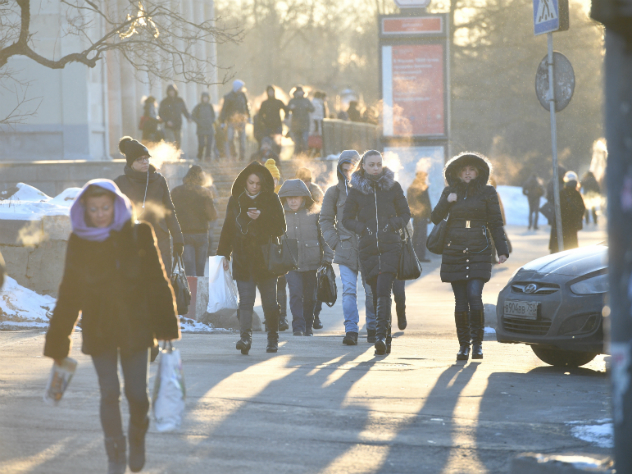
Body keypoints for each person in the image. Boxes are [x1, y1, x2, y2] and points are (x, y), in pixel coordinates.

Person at [44, 180, 180, 474]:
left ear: (117, 205)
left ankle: (137, 436)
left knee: (137, 395)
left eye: (105, 207)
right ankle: (115, 455)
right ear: (85, 209)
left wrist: (165, 327)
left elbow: (157, 282)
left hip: (137, 327)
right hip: (100, 327)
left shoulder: (139, 234)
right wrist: (58, 341)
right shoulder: (80, 242)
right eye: (93, 209)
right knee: (109, 392)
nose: (100, 213)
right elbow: (70, 293)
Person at [431, 152, 509, 361]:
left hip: (479, 250)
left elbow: (495, 222)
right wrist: (447, 202)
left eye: (471, 170)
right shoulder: (450, 191)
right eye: (463, 170)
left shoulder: (488, 192)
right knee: (460, 301)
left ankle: (478, 344)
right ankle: (463, 346)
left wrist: (502, 249)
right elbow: (435, 217)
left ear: (479, 172)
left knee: (475, 296)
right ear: (456, 173)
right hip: (454, 249)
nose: (467, 173)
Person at [342, 150, 411, 355]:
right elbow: (346, 219)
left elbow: (405, 213)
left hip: (391, 245)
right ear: (363, 166)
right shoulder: (356, 191)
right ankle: (386, 336)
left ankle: (380, 337)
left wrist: (392, 225)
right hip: (368, 248)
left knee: (383, 289)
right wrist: (362, 228)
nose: (375, 168)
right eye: (371, 164)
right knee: (374, 293)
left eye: (378, 164)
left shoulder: (393, 187)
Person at [216, 161, 286, 354]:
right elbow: (228, 228)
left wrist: (261, 217)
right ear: (244, 182)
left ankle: (273, 338)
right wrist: (224, 254)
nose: (254, 186)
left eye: (258, 183)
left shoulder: (271, 199)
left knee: (270, 302)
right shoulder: (235, 200)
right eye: (251, 182)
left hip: (266, 259)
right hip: (243, 258)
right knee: (245, 301)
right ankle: (244, 338)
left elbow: (281, 227)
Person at [320, 150, 376, 344]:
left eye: (351, 169)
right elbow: (325, 220)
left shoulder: (371, 189)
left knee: (371, 291)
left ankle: (373, 327)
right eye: (344, 170)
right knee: (349, 290)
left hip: (369, 248)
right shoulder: (333, 192)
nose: (348, 174)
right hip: (345, 249)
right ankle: (351, 330)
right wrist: (335, 242)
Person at [114, 137, 184, 276]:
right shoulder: (120, 183)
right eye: (139, 159)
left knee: (162, 280)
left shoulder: (159, 180)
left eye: (146, 158)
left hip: (160, 238)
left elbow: (169, 211)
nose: (145, 162)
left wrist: (178, 238)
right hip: (132, 240)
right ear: (131, 163)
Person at [278, 179, 333, 336]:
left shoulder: (314, 212)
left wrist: (328, 257)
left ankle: (308, 324)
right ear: (284, 198)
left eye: (297, 196)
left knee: (310, 296)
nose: (293, 200)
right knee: (295, 293)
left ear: (303, 197)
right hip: (291, 263)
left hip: (312, 261)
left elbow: (325, 236)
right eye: (289, 197)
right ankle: (298, 326)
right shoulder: (280, 214)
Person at [171, 166, 218, 276]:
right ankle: (199, 293)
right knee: (200, 269)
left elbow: (170, 213)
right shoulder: (205, 192)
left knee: (189, 269)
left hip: (184, 234)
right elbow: (212, 215)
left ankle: (190, 292)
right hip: (201, 234)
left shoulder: (176, 191)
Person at [549, 171, 586, 253]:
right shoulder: (577, 195)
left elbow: (556, 209)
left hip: (560, 226)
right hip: (571, 227)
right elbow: (582, 209)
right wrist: (576, 219)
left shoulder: (561, 193)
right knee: (570, 251)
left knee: (558, 250)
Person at [219, 79, 250, 161]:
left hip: (241, 121)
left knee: (242, 140)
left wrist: (249, 117)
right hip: (231, 121)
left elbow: (246, 107)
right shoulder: (228, 96)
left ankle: (242, 157)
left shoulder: (243, 95)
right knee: (230, 139)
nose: (242, 89)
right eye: (240, 87)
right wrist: (222, 122)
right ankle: (234, 154)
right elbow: (224, 110)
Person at [406, 171, 432, 262]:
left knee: (417, 235)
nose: (425, 178)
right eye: (423, 176)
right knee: (421, 236)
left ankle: (415, 256)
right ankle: (419, 256)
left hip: (418, 215)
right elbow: (426, 203)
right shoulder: (419, 187)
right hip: (421, 215)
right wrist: (429, 215)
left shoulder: (413, 186)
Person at [158, 84, 191, 150]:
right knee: (172, 142)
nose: (171, 92)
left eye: (173, 91)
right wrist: (167, 121)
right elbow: (161, 113)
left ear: (175, 91)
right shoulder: (164, 102)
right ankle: (172, 157)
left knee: (178, 143)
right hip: (169, 126)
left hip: (178, 125)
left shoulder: (180, 100)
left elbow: (184, 110)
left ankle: (177, 157)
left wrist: (188, 117)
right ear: (168, 92)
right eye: (170, 91)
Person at [287, 86, 314, 156]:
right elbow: (287, 109)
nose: (300, 93)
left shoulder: (306, 100)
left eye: (301, 91)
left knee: (305, 141)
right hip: (295, 126)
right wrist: (291, 108)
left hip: (305, 125)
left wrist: (308, 107)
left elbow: (312, 109)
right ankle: (297, 157)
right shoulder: (292, 101)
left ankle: (305, 156)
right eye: (298, 91)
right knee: (297, 143)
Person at [191, 92, 216, 161]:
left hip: (209, 128)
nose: (205, 99)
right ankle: (199, 156)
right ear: (202, 98)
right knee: (201, 144)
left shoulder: (210, 106)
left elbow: (213, 116)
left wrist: (211, 121)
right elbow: (193, 116)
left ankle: (208, 157)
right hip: (201, 129)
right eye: (204, 97)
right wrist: (199, 122)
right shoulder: (198, 106)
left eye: (206, 97)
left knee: (209, 144)